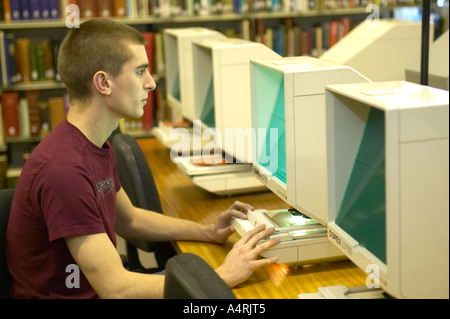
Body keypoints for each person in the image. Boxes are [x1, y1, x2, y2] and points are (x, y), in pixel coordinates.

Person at [5, 18, 279, 299]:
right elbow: (116, 289)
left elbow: (129, 220)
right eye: (140, 71)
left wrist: (208, 231)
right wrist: (221, 276)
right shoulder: (64, 171)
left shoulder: (92, 143)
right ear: (103, 82)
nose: (151, 83)